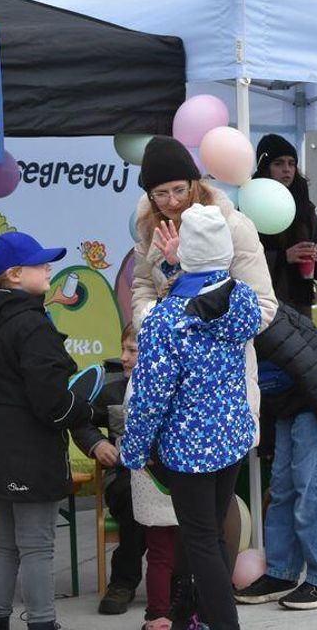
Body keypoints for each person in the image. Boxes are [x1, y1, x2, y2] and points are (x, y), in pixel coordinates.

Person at [121, 204, 262, 630]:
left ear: (190, 257)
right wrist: (178, 263)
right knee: (210, 534)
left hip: (188, 449)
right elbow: (207, 289)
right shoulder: (241, 300)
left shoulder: (166, 321)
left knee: (200, 539)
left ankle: (221, 622)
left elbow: (149, 397)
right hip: (231, 437)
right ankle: (187, 616)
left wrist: (133, 449)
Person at [0, 232, 99, 630]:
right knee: (37, 546)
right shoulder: (31, 324)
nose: (48, 269)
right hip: (28, 444)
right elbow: (51, 402)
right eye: (40, 264)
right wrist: (88, 409)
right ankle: (42, 622)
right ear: (15, 275)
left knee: (4, 545)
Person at [130, 135, 277, 437]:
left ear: (194, 184)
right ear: (150, 195)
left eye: (179, 190)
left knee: (218, 474)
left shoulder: (233, 227)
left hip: (222, 379)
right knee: (173, 467)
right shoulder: (149, 228)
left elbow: (263, 307)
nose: (172, 201)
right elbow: (143, 286)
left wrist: (194, 333)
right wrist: (149, 322)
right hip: (171, 377)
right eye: (161, 193)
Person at [235, 304, 317, 610]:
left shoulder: (263, 319)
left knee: (313, 485)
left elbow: (313, 372)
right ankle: (281, 573)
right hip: (286, 399)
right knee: (283, 487)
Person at [69, 325, 151, 619]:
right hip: (125, 475)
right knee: (133, 496)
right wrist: (96, 443)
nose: (124, 358)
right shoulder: (112, 388)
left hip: (165, 473)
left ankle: (175, 579)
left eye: (133, 351)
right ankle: (123, 582)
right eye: (124, 349)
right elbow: (79, 420)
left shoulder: (170, 384)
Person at [253, 134, 317, 318]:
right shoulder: (252, 203)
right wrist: (284, 256)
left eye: (291, 163)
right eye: (279, 163)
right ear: (265, 167)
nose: (287, 170)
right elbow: (245, 257)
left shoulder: (304, 205)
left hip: (301, 300)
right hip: (267, 301)